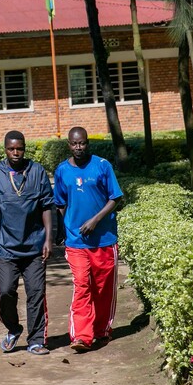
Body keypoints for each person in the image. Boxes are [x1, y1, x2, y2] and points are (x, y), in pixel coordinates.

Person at [53, 127, 124, 353]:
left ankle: (102, 330)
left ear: (87, 144)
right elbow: (60, 204)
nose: (78, 147)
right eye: (74, 144)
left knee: (103, 289)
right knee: (82, 286)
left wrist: (95, 220)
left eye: (82, 143)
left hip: (104, 240)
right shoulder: (62, 171)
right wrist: (66, 228)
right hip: (76, 243)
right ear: (68, 145)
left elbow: (115, 198)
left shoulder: (102, 166)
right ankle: (82, 336)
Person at [0, 130, 54, 356]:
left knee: (36, 292)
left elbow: (46, 207)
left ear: (25, 148)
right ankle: (13, 329)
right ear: (5, 149)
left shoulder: (37, 172)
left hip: (34, 247)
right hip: (6, 248)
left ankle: (35, 340)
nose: (16, 152)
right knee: (6, 292)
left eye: (20, 148)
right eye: (11, 148)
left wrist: (49, 239)